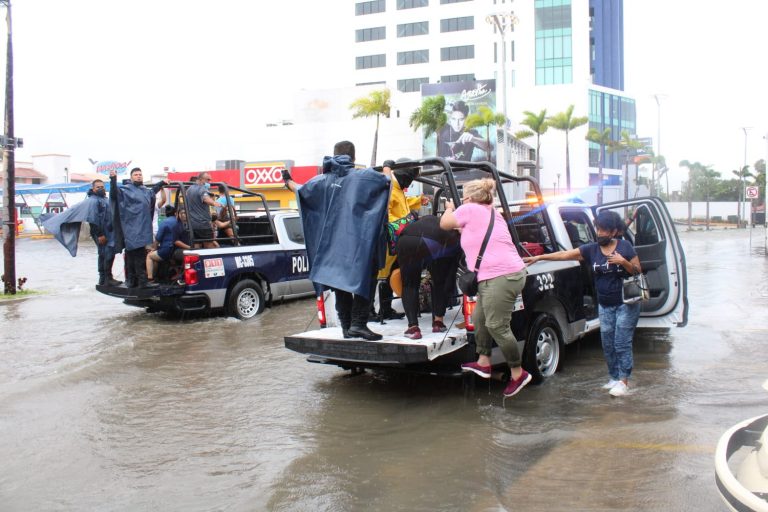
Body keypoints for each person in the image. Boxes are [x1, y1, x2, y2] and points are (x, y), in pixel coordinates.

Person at [523, 210, 642, 397]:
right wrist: (539, 257)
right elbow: (564, 255)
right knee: (608, 343)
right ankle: (613, 377)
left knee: (621, 342)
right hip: (605, 304)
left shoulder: (625, 247)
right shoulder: (591, 249)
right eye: (598, 229)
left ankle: (623, 381)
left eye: (604, 230)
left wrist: (623, 262)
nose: (600, 233)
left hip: (625, 304)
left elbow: (637, 271)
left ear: (613, 232)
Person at [440, 178, 531, 398]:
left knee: (496, 325)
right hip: (499, 275)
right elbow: (473, 235)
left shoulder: (469, 208)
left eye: (463, 198)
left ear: (469, 198)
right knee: (479, 318)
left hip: (501, 276)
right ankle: (483, 361)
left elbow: (444, 224)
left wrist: (449, 209)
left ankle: (518, 373)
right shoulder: (491, 213)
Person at [296, 141, 391, 341]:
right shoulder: (362, 176)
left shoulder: (320, 180)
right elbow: (386, 182)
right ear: (353, 157)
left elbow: (301, 192)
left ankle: (347, 328)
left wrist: (288, 181)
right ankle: (358, 324)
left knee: (339, 283)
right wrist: (388, 168)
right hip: (357, 244)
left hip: (332, 247)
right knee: (366, 277)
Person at [374, 157, 428, 321]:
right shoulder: (390, 188)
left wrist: (418, 200)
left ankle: (387, 309)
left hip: (399, 241)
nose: (410, 184)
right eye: (410, 180)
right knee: (381, 277)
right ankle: (373, 311)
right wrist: (406, 222)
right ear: (404, 176)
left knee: (392, 274)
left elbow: (403, 204)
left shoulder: (397, 189)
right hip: (388, 241)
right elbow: (385, 215)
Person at [42, 178, 122, 286]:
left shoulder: (103, 199)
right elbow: (92, 219)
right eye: (98, 187)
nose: (101, 189)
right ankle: (106, 278)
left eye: (102, 187)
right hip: (101, 233)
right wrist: (99, 234)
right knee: (106, 254)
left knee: (106, 254)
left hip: (108, 231)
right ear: (93, 189)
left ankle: (104, 279)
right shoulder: (92, 201)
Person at [395, 215, 461, 339]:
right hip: (438, 241)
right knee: (440, 281)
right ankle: (438, 322)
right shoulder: (453, 232)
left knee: (409, 284)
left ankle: (413, 328)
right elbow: (449, 278)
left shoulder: (417, 224)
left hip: (409, 240)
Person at [110, 167, 168, 288]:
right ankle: (142, 281)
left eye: (140, 174)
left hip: (143, 228)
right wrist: (113, 179)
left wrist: (162, 183)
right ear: (131, 177)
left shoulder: (145, 190)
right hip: (131, 228)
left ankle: (132, 281)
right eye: (136, 174)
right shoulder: (125, 190)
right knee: (137, 256)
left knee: (132, 255)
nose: (138, 176)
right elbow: (114, 193)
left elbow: (153, 191)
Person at [146, 206, 191, 282]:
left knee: (149, 256)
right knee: (155, 258)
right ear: (175, 213)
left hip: (167, 250)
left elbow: (158, 239)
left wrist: (153, 248)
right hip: (176, 249)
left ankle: (150, 278)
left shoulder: (165, 222)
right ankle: (155, 277)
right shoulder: (182, 223)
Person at [186, 172, 219, 248]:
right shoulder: (202, 189)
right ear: (200, 179)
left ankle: (198, 260)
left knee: (197, 246)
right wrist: (215, 203)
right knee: (210, 247)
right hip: (203, 224)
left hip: (193, 224)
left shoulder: (190, 189)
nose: (209, 182)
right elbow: (205, 198)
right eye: (208, 180)